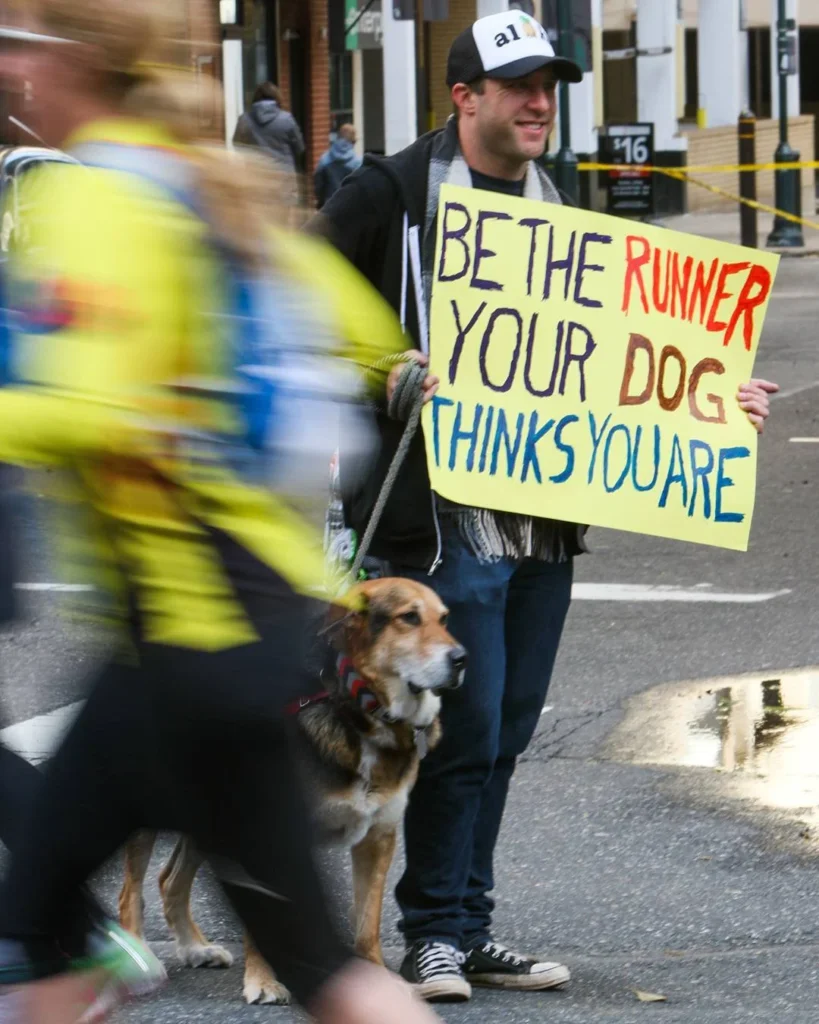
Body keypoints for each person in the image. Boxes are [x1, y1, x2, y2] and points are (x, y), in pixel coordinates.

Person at [311, 10, 779, 1003]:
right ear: (464, 97)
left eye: (550, 86)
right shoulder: (386, 197)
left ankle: (468, 927)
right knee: (465, 726)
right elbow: (295, 317)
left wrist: (717, 397)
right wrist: (388, 378)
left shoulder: (563, 217)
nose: (540, 103)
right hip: (442, 519)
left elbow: (618, 360)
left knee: (511, 725)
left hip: (543, 516)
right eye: (519, 86)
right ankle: (433, 931)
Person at [0, 5, 443, 1024]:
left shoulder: (102, 201)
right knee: (321, 966)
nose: (13, 65)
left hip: (181, 640)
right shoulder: (213, 187)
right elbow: (367, 331)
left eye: (27, 40)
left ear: (77, 62)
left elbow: (88, 405)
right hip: (257, 622)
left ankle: (86, 958)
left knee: (40, 927)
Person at [233, 81, 305, 178]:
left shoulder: (244, 120)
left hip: (256, 179)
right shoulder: (287, 119)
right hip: (284, 179)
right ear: (277, 98)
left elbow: (237, 145)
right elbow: (299, 148)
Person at [314, 124, 362, 209]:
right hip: (351, 207)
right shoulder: (358, 162)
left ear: (338, 137)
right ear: (353, 142)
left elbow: (318, 183)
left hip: (329, 207)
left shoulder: (325, 159)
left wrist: (320, 200)